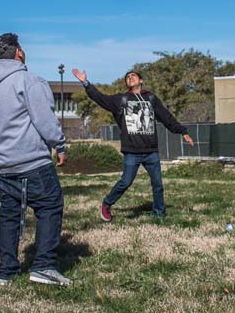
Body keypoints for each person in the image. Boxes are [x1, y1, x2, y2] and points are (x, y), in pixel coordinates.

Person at [0, 33, 71, 287]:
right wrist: (59, 145)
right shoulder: (29, 81)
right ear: (18, 52)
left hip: (2, 165)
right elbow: (45, 120)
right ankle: (43, 266)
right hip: (32, 162)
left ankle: (6, 272)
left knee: (9, 215)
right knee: (50, 206)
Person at [72, 68, 194, 221]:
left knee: (158, 185)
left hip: (151, 151)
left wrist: (183, 131)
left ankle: (159, 214)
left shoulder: (151, 98)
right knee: (125, 182)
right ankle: (107, 203)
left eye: (133, 76)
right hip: (132, 152)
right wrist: (85, 83)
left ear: (141, 80)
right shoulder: (121, 100)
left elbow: (166, 117)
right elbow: (100, 98)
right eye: (127, 77)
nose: (130, 78)